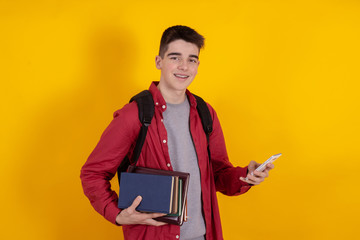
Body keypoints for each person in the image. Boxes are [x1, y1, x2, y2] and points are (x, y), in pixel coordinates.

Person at [80, 25, 274, 240]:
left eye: (191, 59)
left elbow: (219, 174)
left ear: (198, 65)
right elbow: (92, 173)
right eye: (175, 57)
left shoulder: (205, 113)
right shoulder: (133, 115)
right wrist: (117, 215)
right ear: (158, 62)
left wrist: (246, 176)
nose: (184, 66)